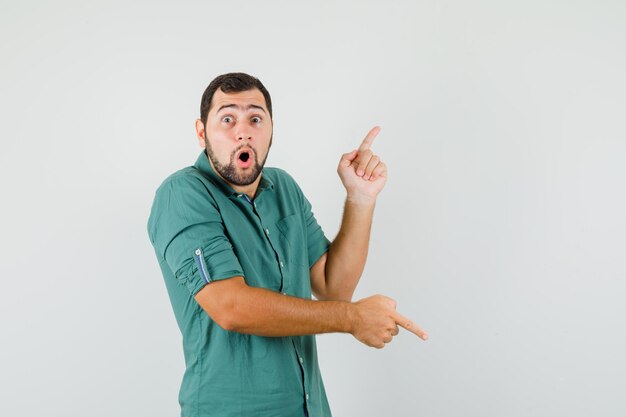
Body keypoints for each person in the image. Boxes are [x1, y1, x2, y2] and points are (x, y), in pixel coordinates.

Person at [147, 72, 428, 417]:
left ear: (270, 130)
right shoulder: (182, 194)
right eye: (227, 118)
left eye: (255, 118)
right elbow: (230, 306)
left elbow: (333, 288)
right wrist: (352, 318)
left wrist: (360, 198)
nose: (243, 130)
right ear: (202, 133)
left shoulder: (284, 188)